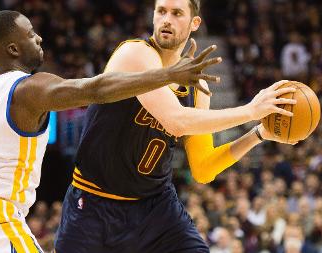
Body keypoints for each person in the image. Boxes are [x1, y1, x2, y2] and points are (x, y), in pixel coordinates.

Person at [0, 10, 221, 253]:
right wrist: (167, 74)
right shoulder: (30, 87)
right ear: (14, 48)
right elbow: (94, 88)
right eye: (31, 35)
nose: (40, 38)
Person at [54, 0, 297, 252]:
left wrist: (258, 134)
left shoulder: (197, 87)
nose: (166, 19)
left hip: (155, 207)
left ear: (195, 23)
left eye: (177, 13)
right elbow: (176, 120)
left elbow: (203, 169)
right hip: (94, 203)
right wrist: (250, 111)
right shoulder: (135, 54)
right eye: (161, 11)